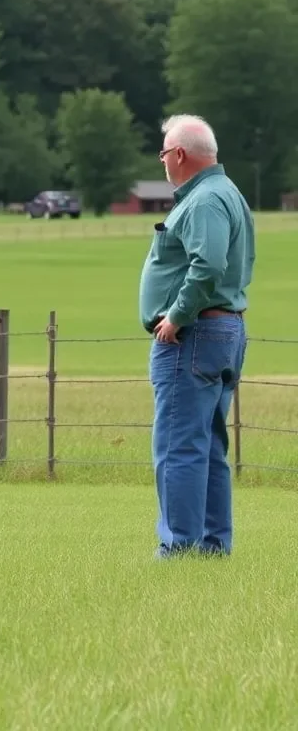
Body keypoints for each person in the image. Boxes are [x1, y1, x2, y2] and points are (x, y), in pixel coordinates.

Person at [139, 114, 255, 558]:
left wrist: (176, 317)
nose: (163, 160)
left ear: (180, 154)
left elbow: (207, 265)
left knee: (178, 443)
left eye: (164, 152)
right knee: (206, 444)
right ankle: (211, 547)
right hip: (222, 329)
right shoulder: (228, 193)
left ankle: (179, 547)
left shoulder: (204, 200)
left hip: (192, 334)